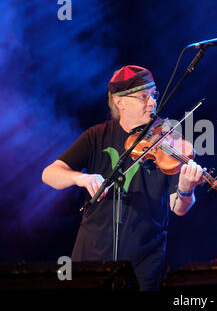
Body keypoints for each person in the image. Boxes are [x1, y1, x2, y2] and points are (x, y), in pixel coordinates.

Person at [42, 65, 204, 290]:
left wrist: (186, 189)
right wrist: (81, 178)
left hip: (143, 260)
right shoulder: (97, 136)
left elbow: (179, 207)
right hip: (91, 254)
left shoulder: (169, 140)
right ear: (120, 102)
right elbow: (49, 174)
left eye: (153, 95)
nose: (152, 103)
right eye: (143, 97)